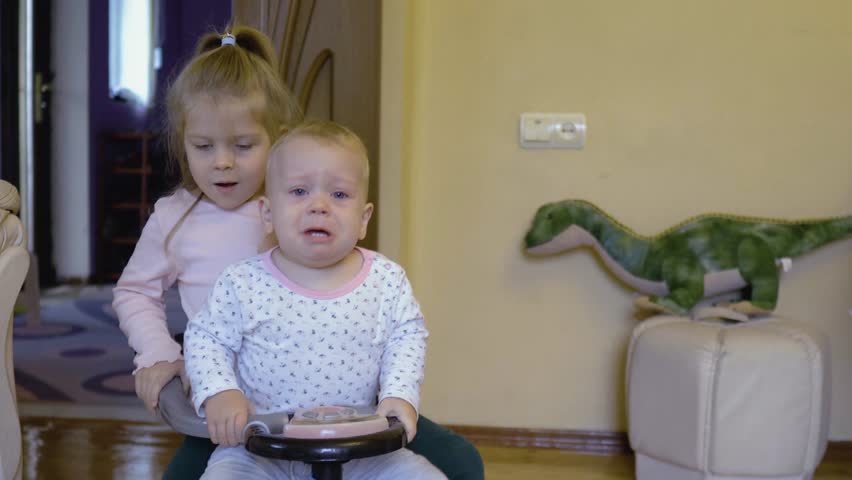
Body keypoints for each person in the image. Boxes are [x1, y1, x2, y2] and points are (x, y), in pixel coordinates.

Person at [112, 25, 484, 480]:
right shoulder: (174, 218)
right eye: (203, 146)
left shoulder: (305, 208)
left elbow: (388, 318)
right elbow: (136, 293)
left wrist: (396, 394)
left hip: (347, 409)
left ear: (280, 144)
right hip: (238, 405)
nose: (223, 161)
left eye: (244, 146)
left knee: (461, 464)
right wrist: (159, 354)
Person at [183, 120, 445, 478]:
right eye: (299, 191)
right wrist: (220, 391)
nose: (319, 206)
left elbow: (407, 336)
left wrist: (399, 395)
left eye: (339, 195)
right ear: (268, 213)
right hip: (260, 451)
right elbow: (206, 338)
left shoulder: (387, 281)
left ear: (364, 218)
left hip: (362, 451)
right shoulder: (241, 282)